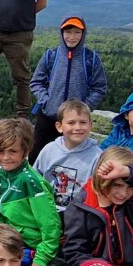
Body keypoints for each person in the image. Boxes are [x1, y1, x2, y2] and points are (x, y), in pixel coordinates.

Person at [0, 118, 61, 266]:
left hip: (29, 241)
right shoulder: (1, 174)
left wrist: (42, 258)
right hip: (9, 233)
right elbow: (5, 213)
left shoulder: (32, 183)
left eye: (13, 151)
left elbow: (51, 226)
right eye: (0, 151)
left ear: (25, 151)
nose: (6, 157)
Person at [29, 15, 108, 161]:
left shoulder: (91, 58)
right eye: (68, 32)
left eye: (77, 32)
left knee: (71, 158)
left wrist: (86, 105)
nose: (72, 37)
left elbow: (100, 87)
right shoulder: (51, 55)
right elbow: (36, 82)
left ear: (83, 34)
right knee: (37, 156)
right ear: (61, 33)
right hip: (48, 117)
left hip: (74, 121)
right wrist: (46, 101)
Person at [33, 99, 103, 213]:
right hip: (47, 211)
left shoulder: (97, 156)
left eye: (83, 122)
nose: (78, 127)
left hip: (79, 215)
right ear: (59, 126)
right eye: (71, 123)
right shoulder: (49, 150)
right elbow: (36, 180)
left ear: (90, 126)